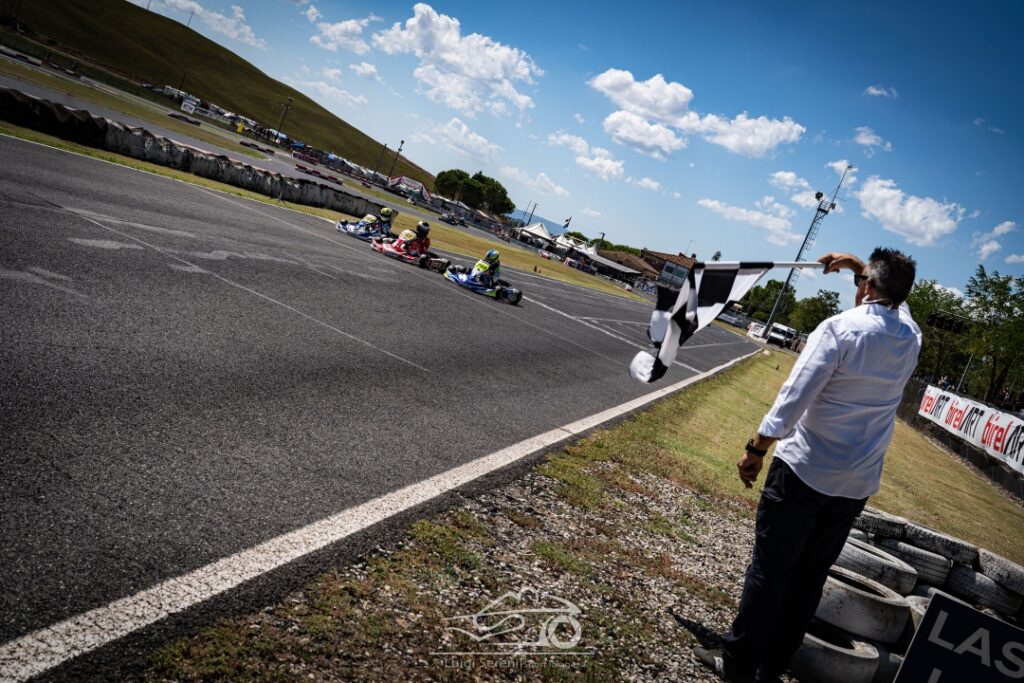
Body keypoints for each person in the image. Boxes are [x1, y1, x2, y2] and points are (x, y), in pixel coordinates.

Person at [695, 247, 922, 683]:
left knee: (771, 572)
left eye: (862, 280)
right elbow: (896, 298)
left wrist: (756, 448)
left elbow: (793, 398)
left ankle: (738, 663)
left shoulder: (839, 328)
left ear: (866, 287)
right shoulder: (911, 335)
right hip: (855, 483)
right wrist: (858, 267)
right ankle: (772, 666)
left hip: (805, 470)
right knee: (808, 579)